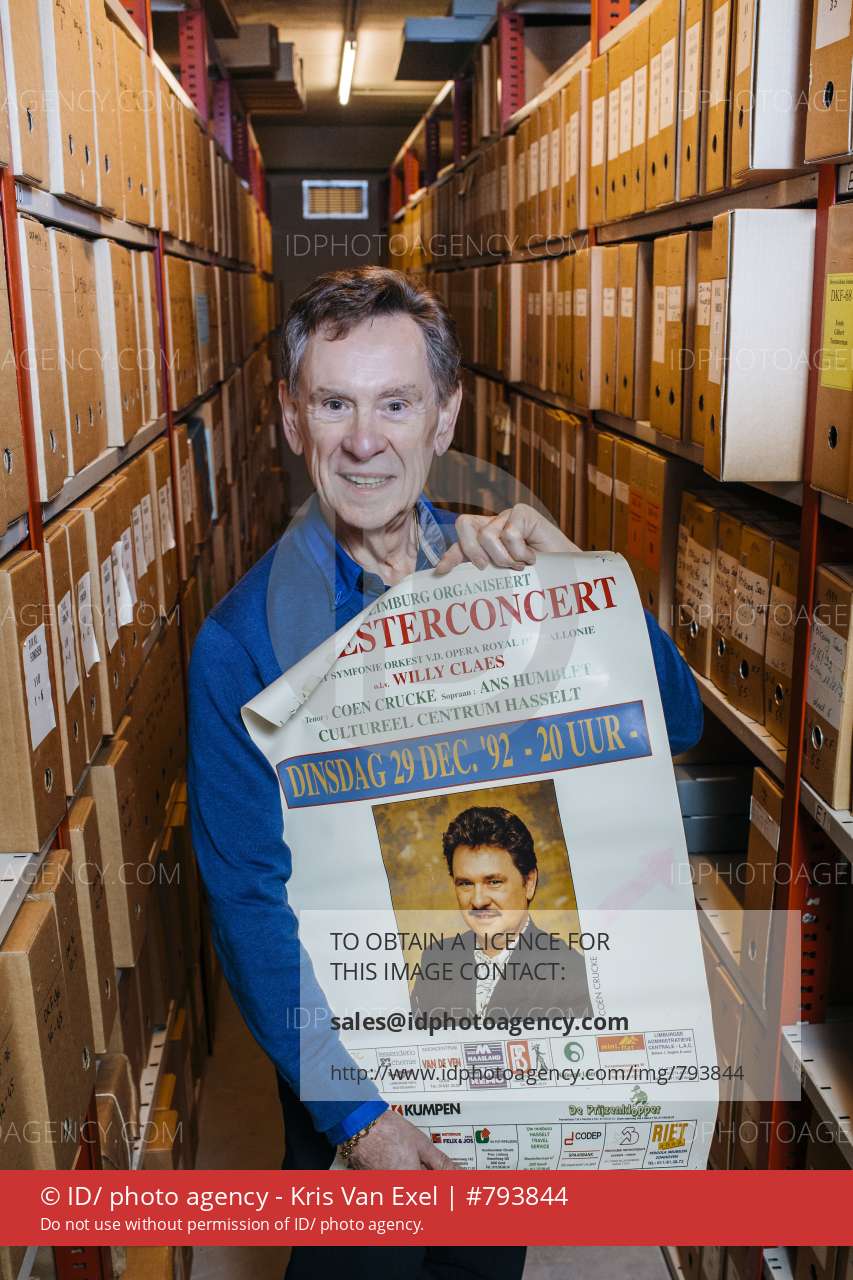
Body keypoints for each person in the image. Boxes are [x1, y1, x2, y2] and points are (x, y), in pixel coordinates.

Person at [187, 266, 703, 1280]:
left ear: (445, 415)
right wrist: (359, 1116)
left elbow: (673, 723)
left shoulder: (503, 578)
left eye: (395, 403)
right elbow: (246, 902)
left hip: (501, 1073)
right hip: (352, 1089)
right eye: (333, 404)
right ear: (291, 419)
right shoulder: (241, 644)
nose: (364, 440)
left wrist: (582, 581)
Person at [411, 805, 592, 1021]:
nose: (478, 901)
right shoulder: (436, 959)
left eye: (494, 882)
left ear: (529, 882)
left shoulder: (571, 973)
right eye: (465, 883)